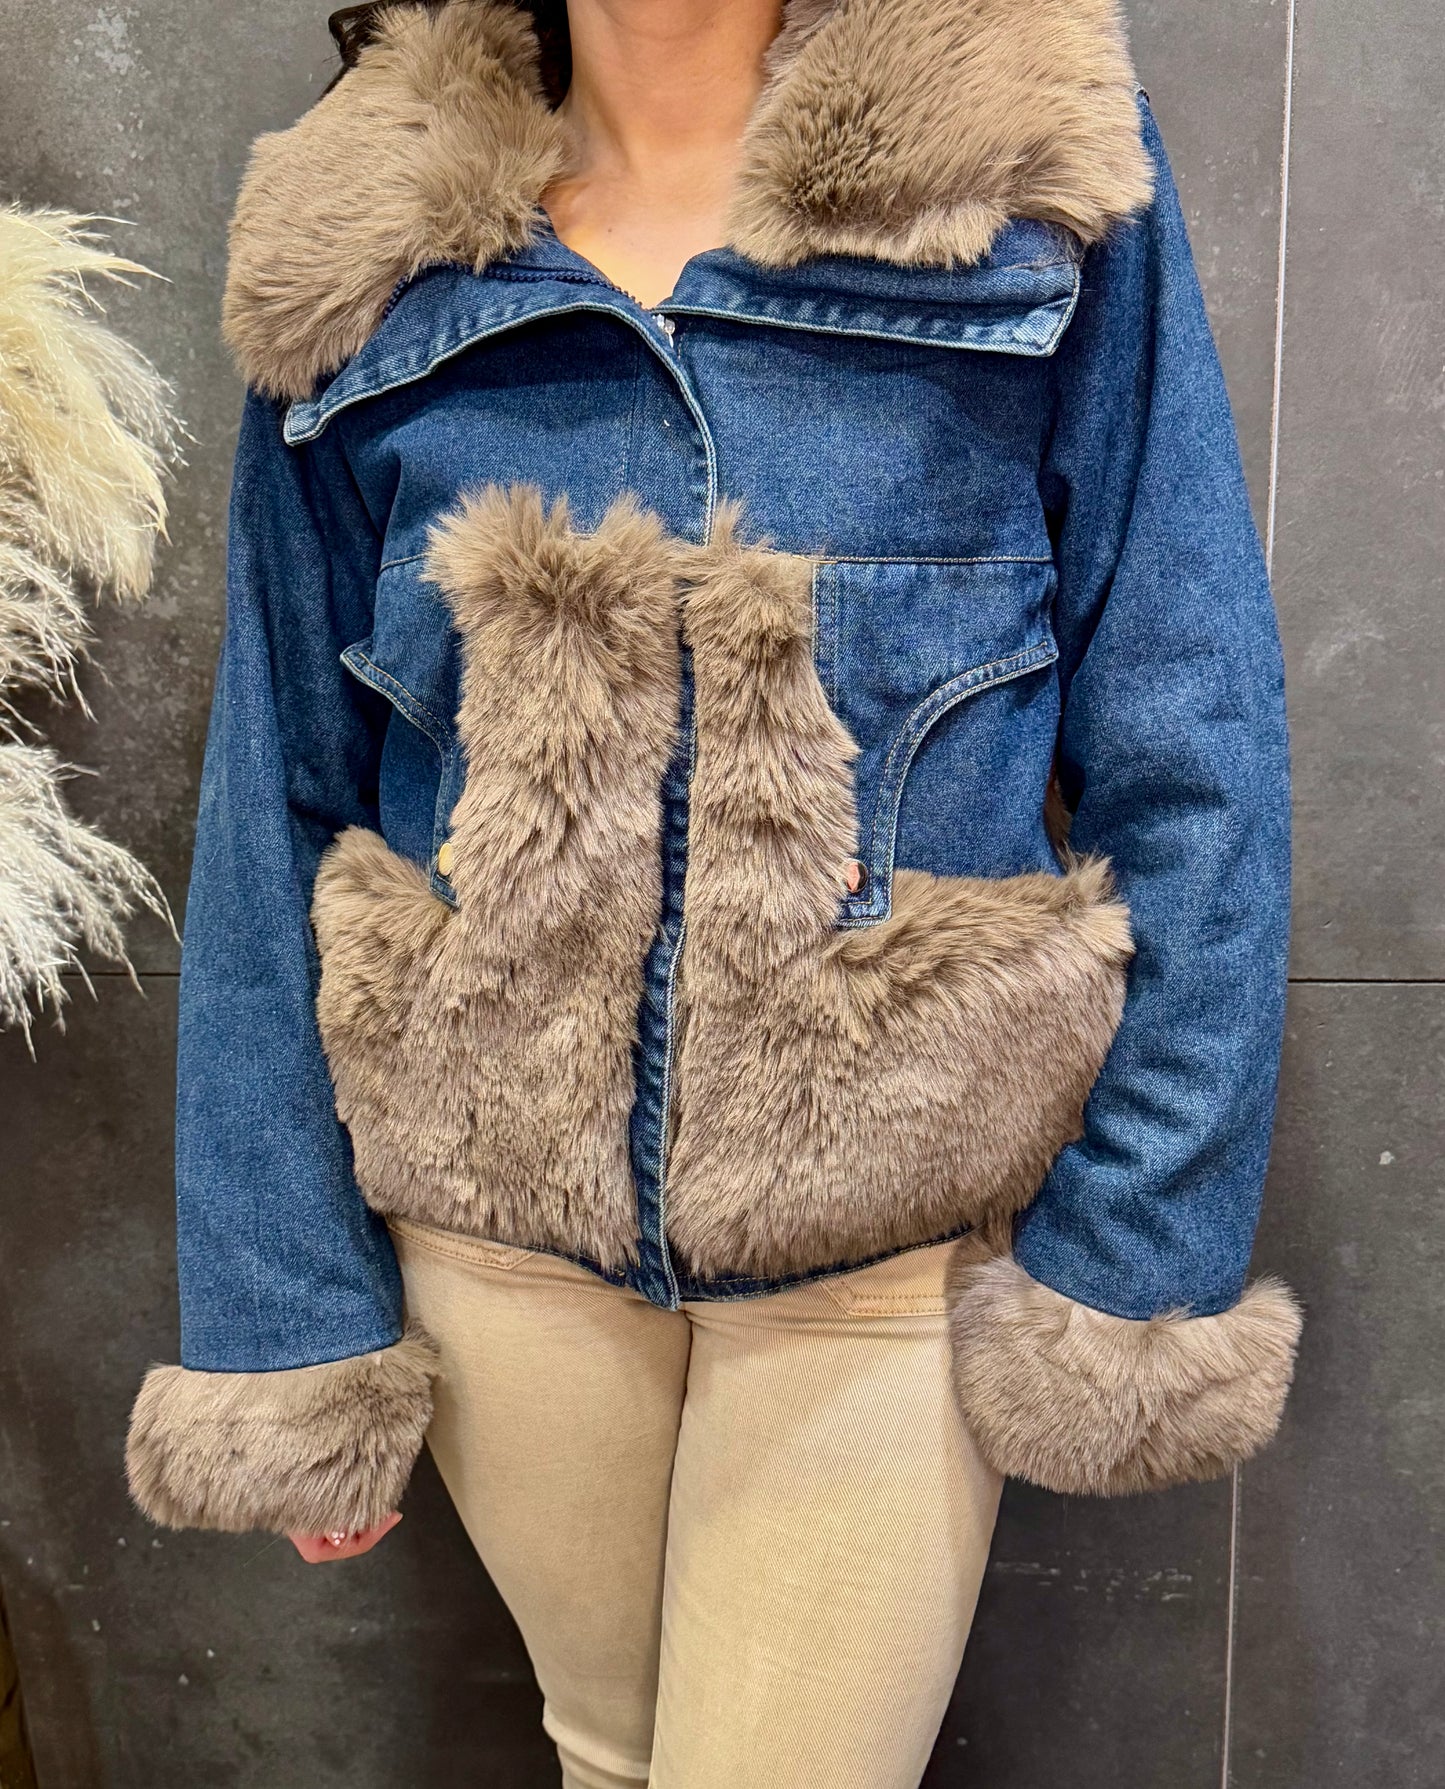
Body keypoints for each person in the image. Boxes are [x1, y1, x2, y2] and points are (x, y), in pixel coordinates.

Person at [125, 2, 1302, 1783]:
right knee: (607, 1757)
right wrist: (287, 1316)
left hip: (885, 1246)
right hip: (495, 1243)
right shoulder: (362, 233)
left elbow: (1189, 729)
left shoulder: (1019, 157)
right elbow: (278, 778)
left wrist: (1134, 1248)